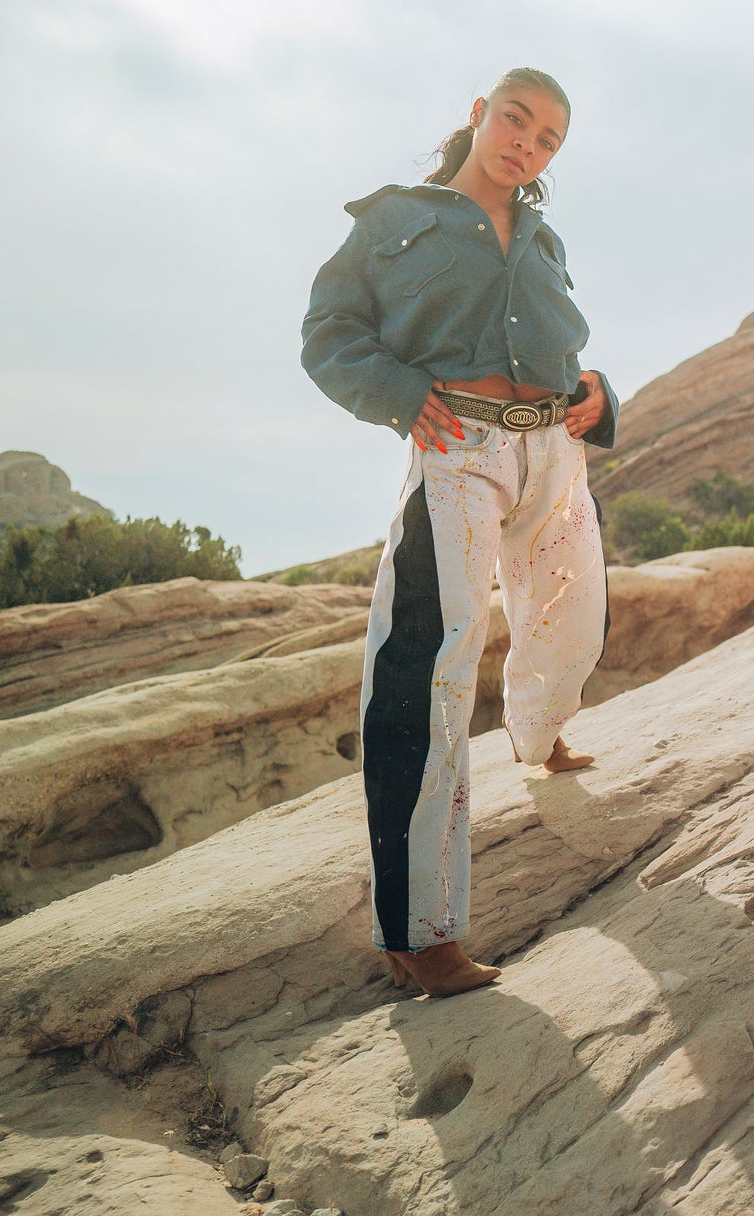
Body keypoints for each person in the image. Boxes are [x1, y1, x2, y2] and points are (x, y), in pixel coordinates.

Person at [301, 66, 616, 998]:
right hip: (458, 451)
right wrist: (400, 396)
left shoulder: (545, 238)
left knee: (577, 622)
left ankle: (538, 733)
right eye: (516, 120)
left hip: (554, 450)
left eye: (548, 139)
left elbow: (562, 347)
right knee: (428, 666)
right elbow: (328, 333)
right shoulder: (393, 219)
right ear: (480, 115)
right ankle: (419, 930)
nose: (527, 144)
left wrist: (601, 396)